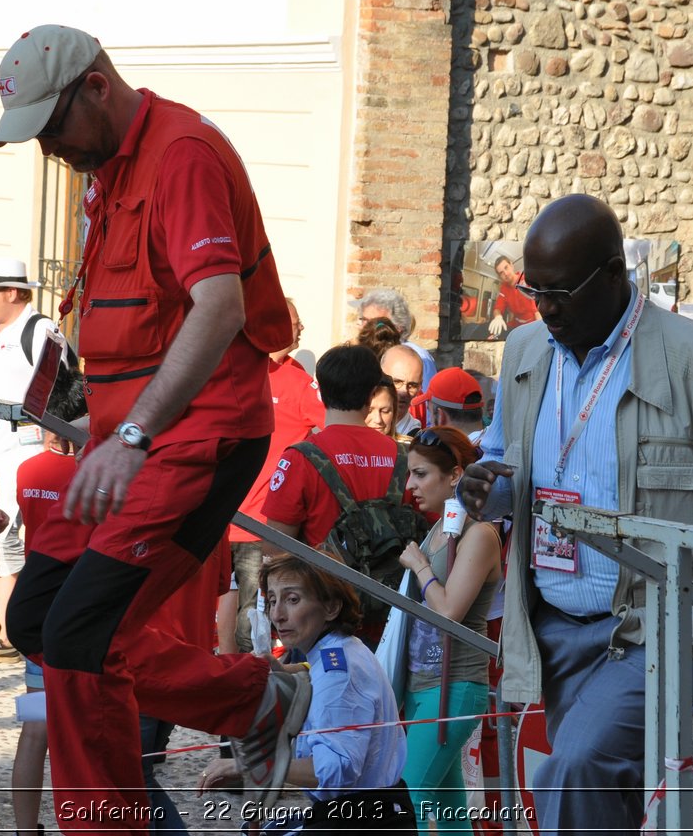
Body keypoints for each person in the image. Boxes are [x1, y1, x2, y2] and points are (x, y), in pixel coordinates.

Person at [0, 23, 305, 826]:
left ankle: (114, 820)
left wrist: (131, 437)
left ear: (96, 86)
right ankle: (259, 700)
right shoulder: (109, 167)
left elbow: (220, 306)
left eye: (53, 128)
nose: (52, 151)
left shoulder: (182, 156)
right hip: (127, 444)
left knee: (81, 638)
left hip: (195, 439)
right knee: (35, 619)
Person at [457, 194, 693, 836]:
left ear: (615, 273)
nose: (546, 308)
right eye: (537, 291)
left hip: (668, 627)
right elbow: (508, 471)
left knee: (575, 770)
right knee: (600, 805)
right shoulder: (528, 351)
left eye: (561, 291)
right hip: (555, 629)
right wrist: (486, 489)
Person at [199, 555, 414, 831]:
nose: (277, 615)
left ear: (331, 607)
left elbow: (337, 769)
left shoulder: (337, 672)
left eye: (293, 599)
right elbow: (320, 673)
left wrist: (250, 765)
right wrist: (289, 671)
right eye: (274, 600)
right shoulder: (336, 650)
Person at [394, 426, 502, 835]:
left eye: (420, 474)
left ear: (455, 475)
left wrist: (420, 566)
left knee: (409, 803)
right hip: (424, 685)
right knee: (448, 806)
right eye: (410, 474)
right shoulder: (440, 529)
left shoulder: (480, 533)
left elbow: (450, 610)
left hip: (455, 685)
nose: (410, 486)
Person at [263, 343, 408, 645]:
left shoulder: (301, 458)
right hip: (390, 619)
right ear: (371, 395)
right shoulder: (403, 457)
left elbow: (276, 546)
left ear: (321, 391)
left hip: (324, 617)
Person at [0, 256, 66, 652]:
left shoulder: (40, 329)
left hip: (25, 443)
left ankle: (11, 630)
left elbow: (60, 386)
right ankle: (5, 625)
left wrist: (53, 437)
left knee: (12, 533)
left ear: (13, 292)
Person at [11, 377, 87, 836]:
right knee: (75, 734)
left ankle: (24, 829)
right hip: (76, 604)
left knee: (35, 729)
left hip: (36, 599)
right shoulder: (88, 474)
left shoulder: (29, 471)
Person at [230, 297, 324, 652]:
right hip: (221, 520)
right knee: (222, 613)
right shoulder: (236, 369)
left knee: (255, 616)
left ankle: (253, 685)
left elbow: (331, 429)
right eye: (294, 321)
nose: (301, 328)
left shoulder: (298, 380)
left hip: (261, 527)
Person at [359, 288, 436, 386]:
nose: (367, 327)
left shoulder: (418, 357)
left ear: (398, 326)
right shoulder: (358, 356)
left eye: (377, 322)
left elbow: (424, 398)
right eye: (364, 320)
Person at [413, 367, 487, 439]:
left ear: (441, 417)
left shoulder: (445, 451)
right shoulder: (493, 443)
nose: (430, 424)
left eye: (430, 411)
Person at [484, 245, 538, 338]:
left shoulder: (526, 278)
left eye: (506, 267)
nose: (505, 273)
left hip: (533, 324)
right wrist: (498, 317)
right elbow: (498, 308)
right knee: (492, 335)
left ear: (511, 265)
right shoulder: (504, 289)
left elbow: (537, 308)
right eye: (501, 273)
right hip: (516, 326)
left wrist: (540, 328)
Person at [382, 344, 425, 438]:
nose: (403, 391)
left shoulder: (416, 440)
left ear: (420, 386)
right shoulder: (357, 420)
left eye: (412, 385)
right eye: (397, 382)